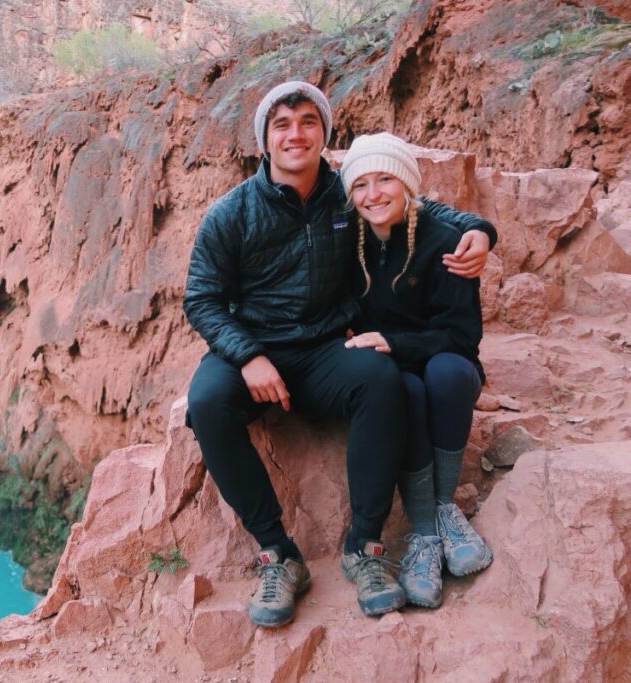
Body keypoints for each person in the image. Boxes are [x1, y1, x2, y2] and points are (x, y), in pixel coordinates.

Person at [183, 81, 496, 626]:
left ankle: (365, 548)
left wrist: (481, 230)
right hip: (256, 348)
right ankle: (278, 555)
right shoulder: (230, 214)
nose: (296, 134)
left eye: (308, 121)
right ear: (265, 139)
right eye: (282, 124)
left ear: (325, 134)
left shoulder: (345, 193)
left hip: (327, 347)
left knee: (381, 378)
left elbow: (414, 204)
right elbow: (202, 299)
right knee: (207, 402)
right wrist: (247, 354)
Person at [341, 133, 492, 609]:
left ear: (406, 183)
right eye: (361, 184)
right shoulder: (348, 243)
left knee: (445, 375)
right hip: (392, 371)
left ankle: (447, 509)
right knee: (399, 389)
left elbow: (463, 337)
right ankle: (424, 531)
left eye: (385, 178)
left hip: (446, 361)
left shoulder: (447, 241)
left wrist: (395, 341)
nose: (373, 194)